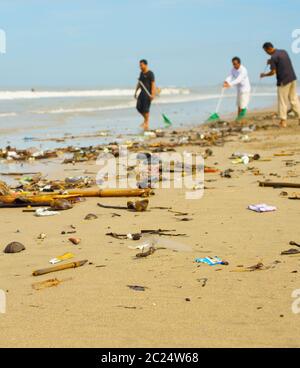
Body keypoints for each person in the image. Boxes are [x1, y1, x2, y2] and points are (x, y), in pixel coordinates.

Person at [261, 42, 300, 128]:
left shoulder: (273, 57)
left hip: (283, 81)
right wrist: (271, 61)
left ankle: (283, 121)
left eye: (266, 51)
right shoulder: (283, 51)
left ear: (268, 49)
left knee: (282, 101)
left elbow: (273, 72)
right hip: (292, 78)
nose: (266, 53)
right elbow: (281, 61)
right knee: (294, 99)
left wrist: (264, 75)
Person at [134, 60, 156, 131]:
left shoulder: (150, 73)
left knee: (146, 109)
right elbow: (139, 83)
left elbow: (153, 85)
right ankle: (145, 120)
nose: (140, 67)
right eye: (139, 65)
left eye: (141, 65)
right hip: (142, 93)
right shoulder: (141, 73)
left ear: (146, 65)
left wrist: (153, 94)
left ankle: (146, 123)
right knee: (138, 107)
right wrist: (135, 92)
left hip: (148, 94)